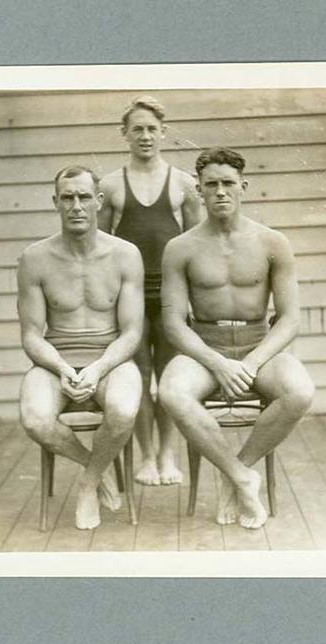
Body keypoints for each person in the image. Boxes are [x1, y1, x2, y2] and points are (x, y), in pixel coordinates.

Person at [159, 148, 315, 529]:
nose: (220, 192)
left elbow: (291, 319)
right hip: (205, 348)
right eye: (211, 185)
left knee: (300, 391)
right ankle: (243, 477)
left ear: (244, 187)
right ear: (198, 190)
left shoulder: (272, 242)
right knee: (171, 391)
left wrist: (250, 363)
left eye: (228, 183)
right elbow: (174, 323)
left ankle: (237, 475)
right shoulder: (181, 248)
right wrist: (217, 363)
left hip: (256, 345)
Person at [17, 165, 144, 530]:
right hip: (55, 360)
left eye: (84, 197)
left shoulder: (125, 255)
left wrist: (98, 368)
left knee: (122, 409)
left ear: (98, 202)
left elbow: (132, 333)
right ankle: (98, 467)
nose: (76, 206)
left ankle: (88, 484)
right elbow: (31, 335)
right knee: (35, 418)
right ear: (55, 202)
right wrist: (61, 369)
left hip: (111, 359)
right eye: (67, 198)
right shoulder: (35, 259)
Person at [98, 95, 202, 487]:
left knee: (170, 372)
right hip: (131, 296)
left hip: (172, 295)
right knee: (139, 373)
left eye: (152, 129)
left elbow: (197, 245)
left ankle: (167, 454)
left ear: (164, 133)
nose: (145, 136)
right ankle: (145, 455)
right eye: (137, 128)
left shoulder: (183, 184)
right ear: (124, 133)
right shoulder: (110, 186)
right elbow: (101, 249)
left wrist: (192, 297)